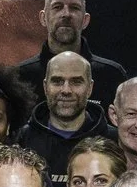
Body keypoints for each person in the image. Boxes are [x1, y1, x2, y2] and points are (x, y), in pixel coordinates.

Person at [14, 0, 126, 106]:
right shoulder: (20, 77)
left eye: (74, 8)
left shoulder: (111, 75)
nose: (66, 14)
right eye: (57, 7)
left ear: (85, 20)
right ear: (43, 18)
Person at [15, 50, 104, 178]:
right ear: (45, 87)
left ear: (90, 88)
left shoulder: (114, 140)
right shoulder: (19, 141)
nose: (66, 90)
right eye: (57, 81)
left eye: (76, 82)